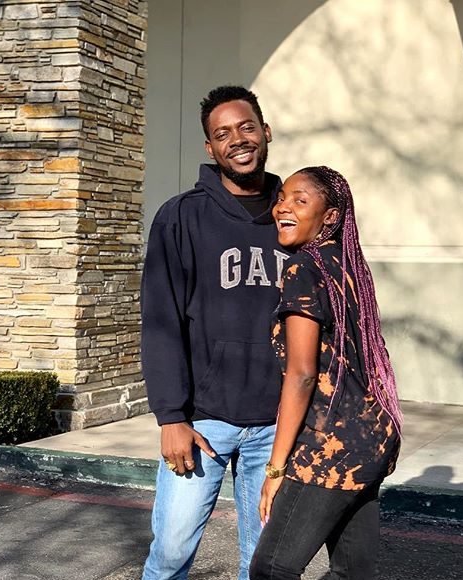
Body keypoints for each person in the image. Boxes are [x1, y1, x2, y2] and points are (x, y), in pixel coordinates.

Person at [140, 86, 289, 580]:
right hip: (202, 422)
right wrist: (170, 417)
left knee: (265, 565)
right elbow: (160, 321)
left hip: (278, 424)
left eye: (246, 127)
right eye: (222, 134)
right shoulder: (181, 217)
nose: (237, 140)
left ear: (266, 132)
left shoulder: (295, 217)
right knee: (170, 554)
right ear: (210, 148)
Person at [249, 166, 403, 579]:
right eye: (282, 198)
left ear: (330, 216)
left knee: (271, 567)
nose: (283, 207)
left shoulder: (303, 268)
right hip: (371, 435)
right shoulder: (347, 265)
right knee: (353, 570)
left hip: (329, 442)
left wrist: (276, 468)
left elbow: (301, 374)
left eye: (300, 200)